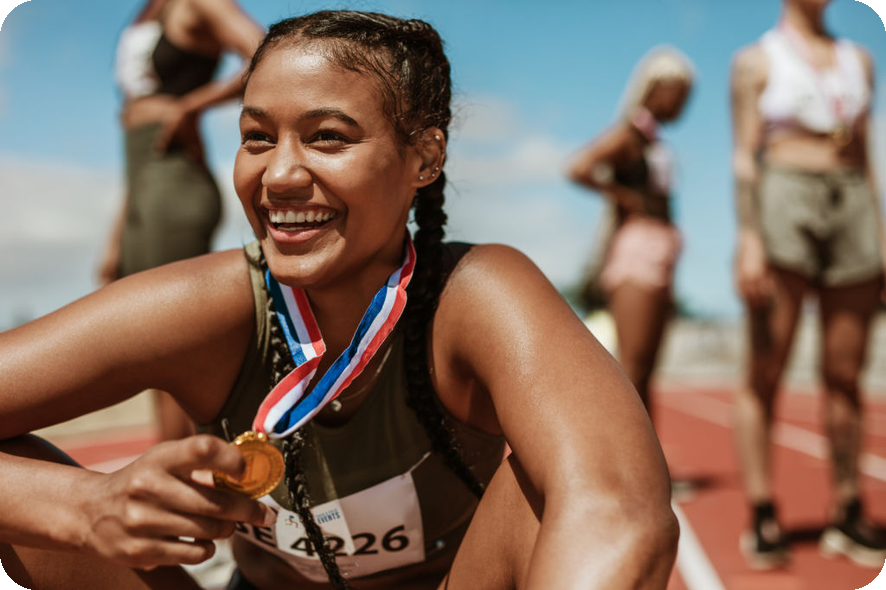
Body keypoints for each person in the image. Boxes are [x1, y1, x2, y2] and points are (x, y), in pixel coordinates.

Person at [0, 10, 679, 590]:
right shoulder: (206, 307)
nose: (279, 175)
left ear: (425, 158)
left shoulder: (475, 295)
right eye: (257, 137)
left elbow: (618, 508)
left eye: (327, 136)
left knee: (561, 491)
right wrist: (83, 505)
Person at [730, 0, 886, 570]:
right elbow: (744, 155)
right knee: (765, 371)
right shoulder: (755, 61)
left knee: (845, 374)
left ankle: (847, 509)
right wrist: (750, 237)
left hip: (851, 203)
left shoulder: (859, 59)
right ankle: (762, 510)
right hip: (784, 197)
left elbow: (868, 153)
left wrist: (880, 235)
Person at [98, 0, 265, 442]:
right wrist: (116, 238)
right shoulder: (146, 13)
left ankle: (187, 466)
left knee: (168, 343)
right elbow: (137, 170)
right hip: (142, 183)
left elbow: (265, 53)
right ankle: (175, 461)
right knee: (146, 344)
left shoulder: (196, 3)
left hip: (175, 179)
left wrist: (192, 106)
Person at [567, 46, 694, 424]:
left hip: (662, 248)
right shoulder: (629, 134)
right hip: (638, 249)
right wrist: (623, 196)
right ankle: (625, 454)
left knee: (647, 368)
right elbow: (579, 166)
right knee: (634, 365)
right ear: (654, 87)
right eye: (679, 94)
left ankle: (647, 453)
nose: (683, 104)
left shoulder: (655, 142)